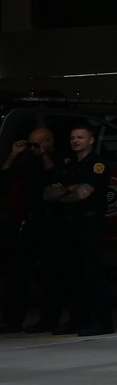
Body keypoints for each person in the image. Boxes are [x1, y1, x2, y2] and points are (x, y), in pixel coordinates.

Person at [42, 124, 110, 336]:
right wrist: (70, 189)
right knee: (72, 274)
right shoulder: (68, 165)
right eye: (72, 137)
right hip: (69, 224)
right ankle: (78, 319)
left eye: (80, 137)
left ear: (91, 140)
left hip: (90, 223)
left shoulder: (97, 164)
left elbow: (83, 193)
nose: (75, 140)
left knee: (93, 274)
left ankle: (102, 322)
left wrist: (65, 191)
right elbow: (47, 194)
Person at [0, 124, 56, 331]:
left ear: (47, 142)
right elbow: (5, 177)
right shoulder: (29, 162)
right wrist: (14, 155)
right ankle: (11, 320)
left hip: (52, 222)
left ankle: (48, 319)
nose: (33, 148)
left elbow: (54, 176)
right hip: (31, 222)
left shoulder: (59, 158)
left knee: (51, 273)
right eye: (31, 144)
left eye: (36, 144)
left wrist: (44, 154)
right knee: (17, 271)